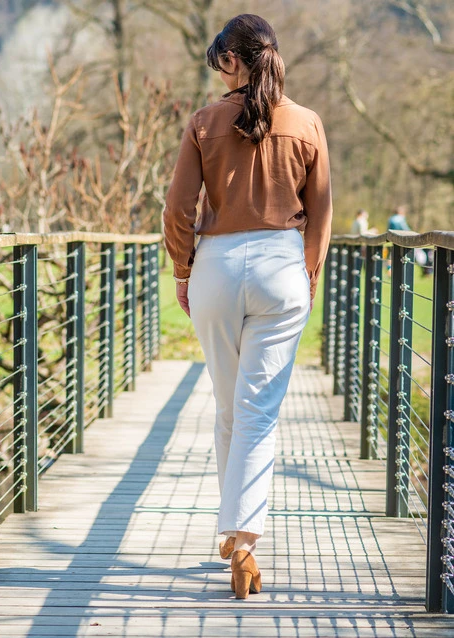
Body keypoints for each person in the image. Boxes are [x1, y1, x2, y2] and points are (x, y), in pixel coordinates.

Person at [163, 14, 332, 599]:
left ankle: (235, 530)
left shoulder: (203, 123)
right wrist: (309, 272)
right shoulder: (307, 123)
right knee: (257, 410)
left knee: (229, 405)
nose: (218, 76)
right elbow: (321, 211)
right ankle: (243, 538)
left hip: (215, 266)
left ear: (233, 61)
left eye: (220, 65)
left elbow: (178, 209)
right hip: (281, 266)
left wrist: (183, 270)